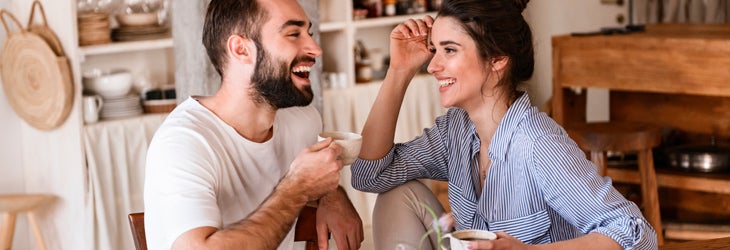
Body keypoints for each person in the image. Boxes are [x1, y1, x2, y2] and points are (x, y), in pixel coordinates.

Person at [350, 0, 658, 249]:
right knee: (395, 195)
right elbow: (369, 175)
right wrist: (399, 71)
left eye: (450, 50)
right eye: (435, 49)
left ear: (497, 59)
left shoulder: (539, 144)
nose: (432, 66)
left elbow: (637, 234)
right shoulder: (455, 131)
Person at [143, 0, 363, 249]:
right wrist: (297, 188)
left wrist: (332, 196)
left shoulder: (303, 122)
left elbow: (313, 177)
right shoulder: (183, 142)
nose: (315, 49)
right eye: (293, 34)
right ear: (241, 49)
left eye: (309, 34)